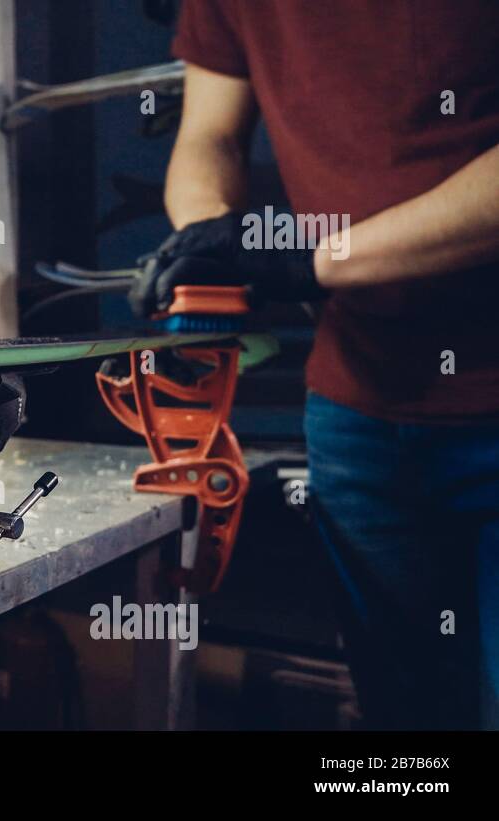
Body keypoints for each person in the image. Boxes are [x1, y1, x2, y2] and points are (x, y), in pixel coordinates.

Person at [129, 1, 499, 729]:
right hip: (357, 415)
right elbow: (209, 135)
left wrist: (311, 261)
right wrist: (206, 237)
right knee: (408, 733)